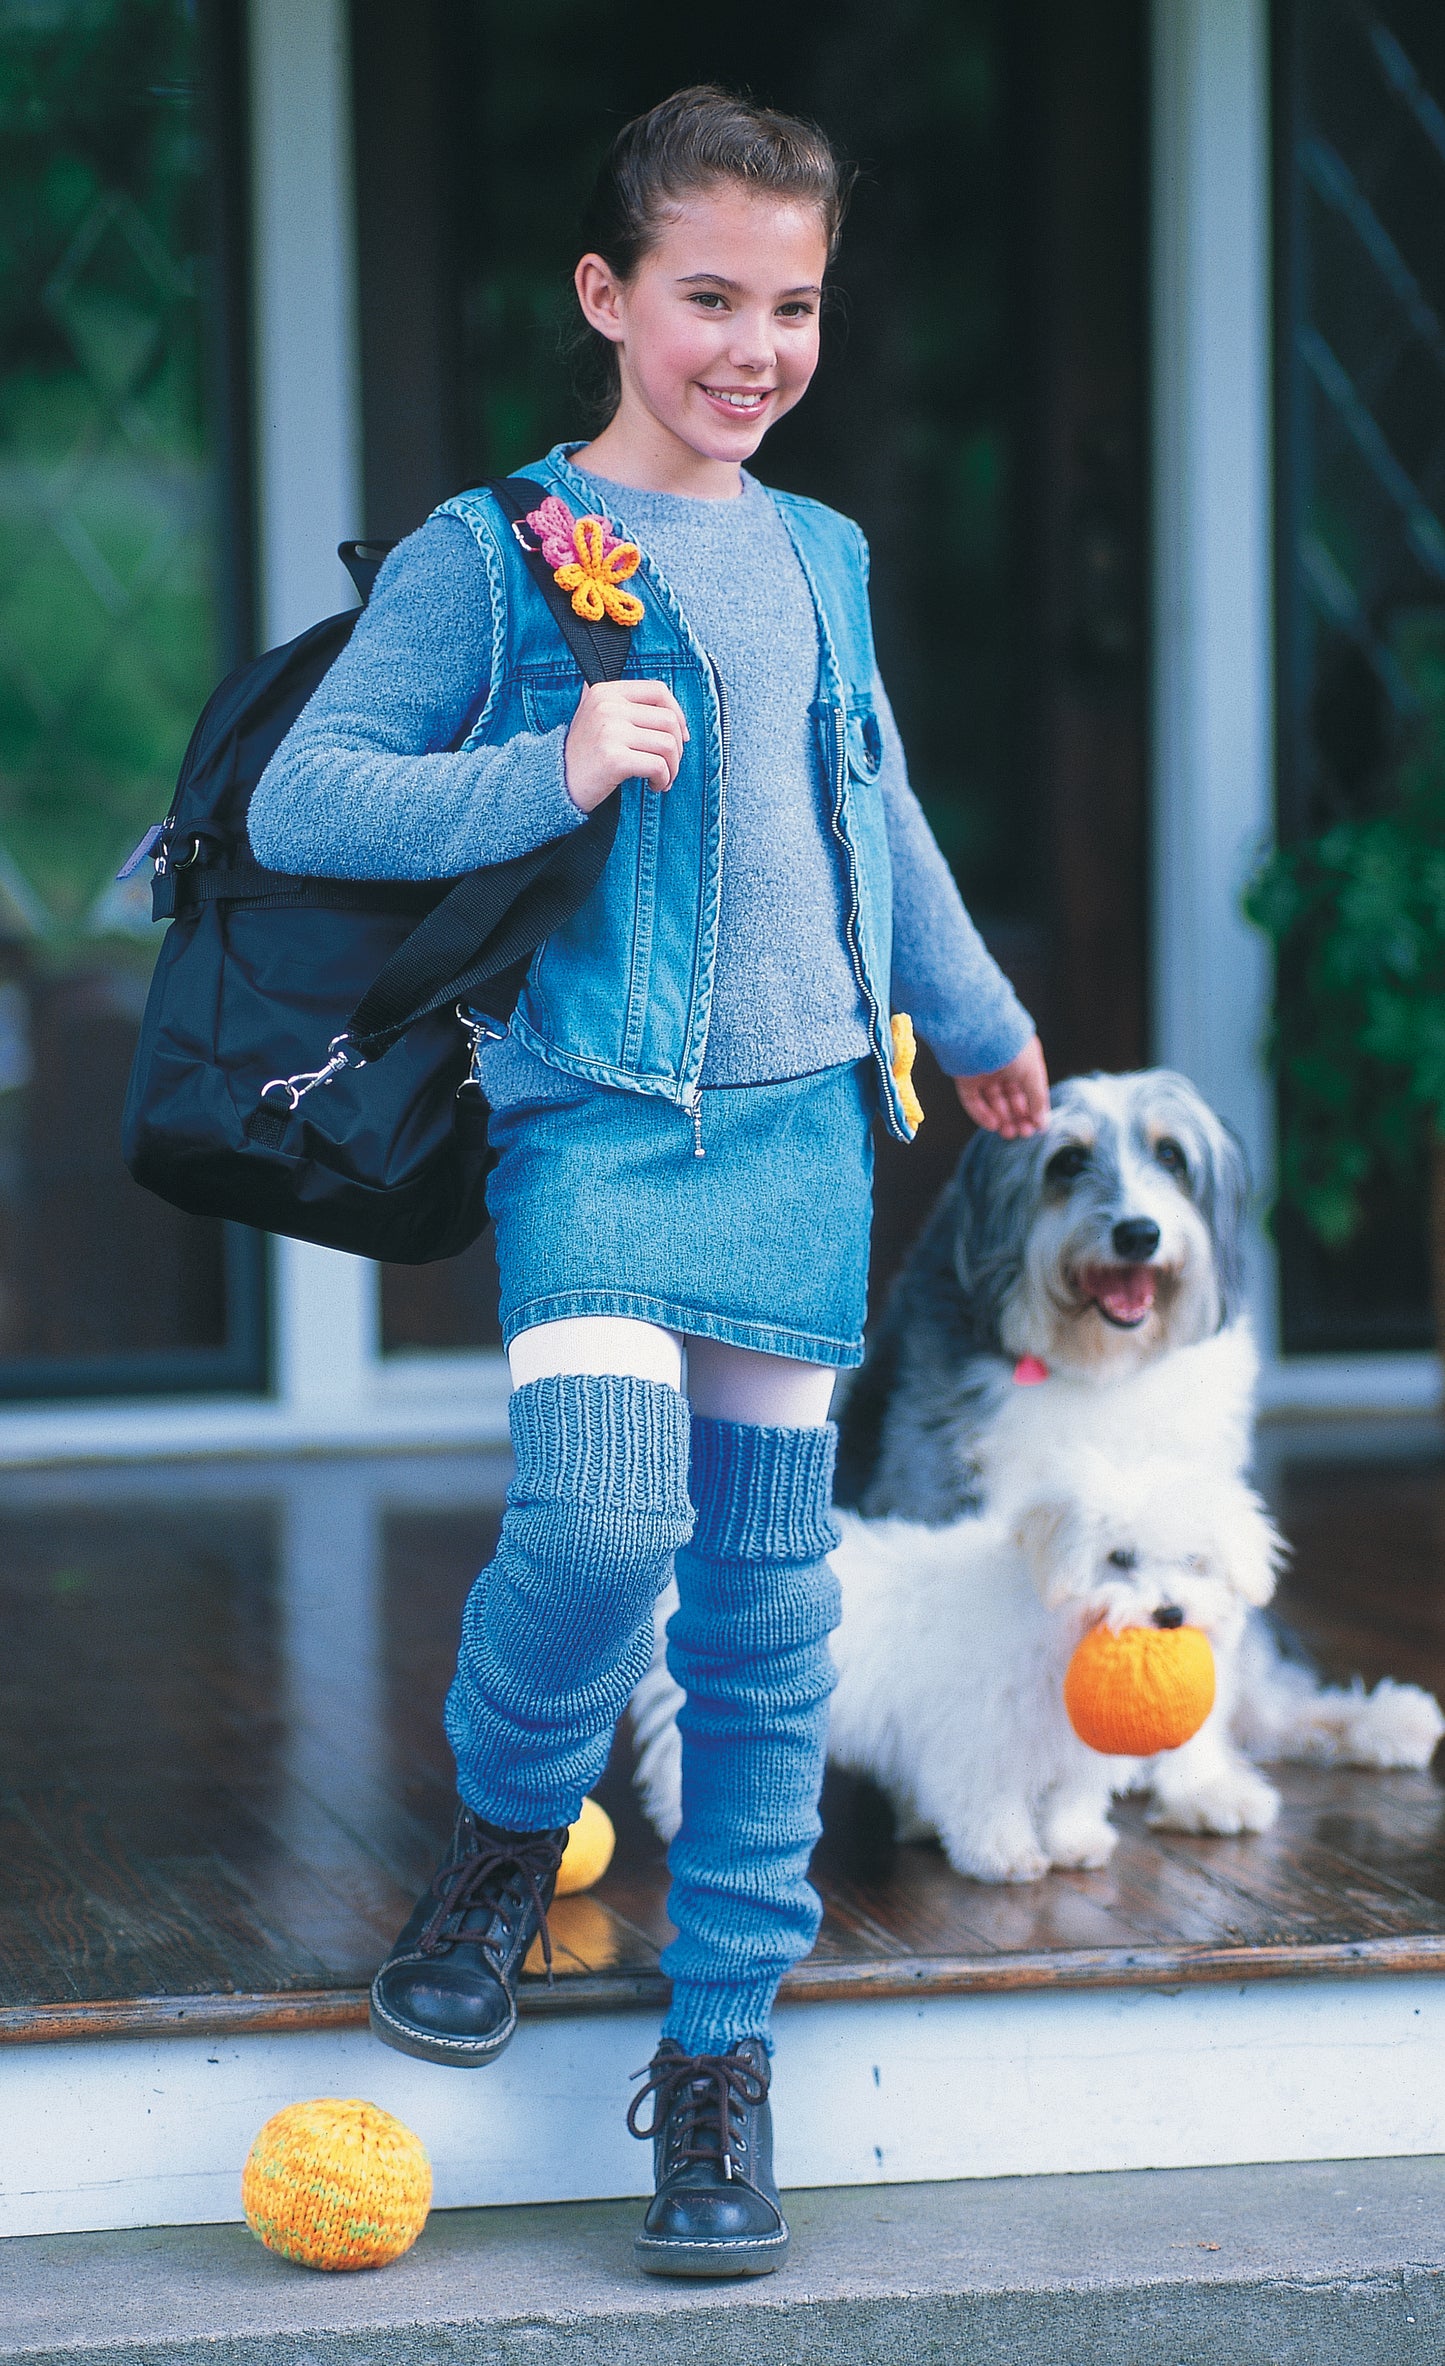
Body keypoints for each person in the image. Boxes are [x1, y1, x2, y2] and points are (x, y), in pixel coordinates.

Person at [247, 84, 1050, 2278]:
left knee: (766, 1625)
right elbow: (312, 797)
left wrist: (973, 1018)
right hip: (593, 1114)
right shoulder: (491, 550)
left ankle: (718, 2055)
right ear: (610, 297)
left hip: (802, 1128)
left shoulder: (819, 552)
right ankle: (511, 1823)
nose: (755, 343)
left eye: (793, 303)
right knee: (601, 1519)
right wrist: (549, 764)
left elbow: (874, 807)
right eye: (709, 295)